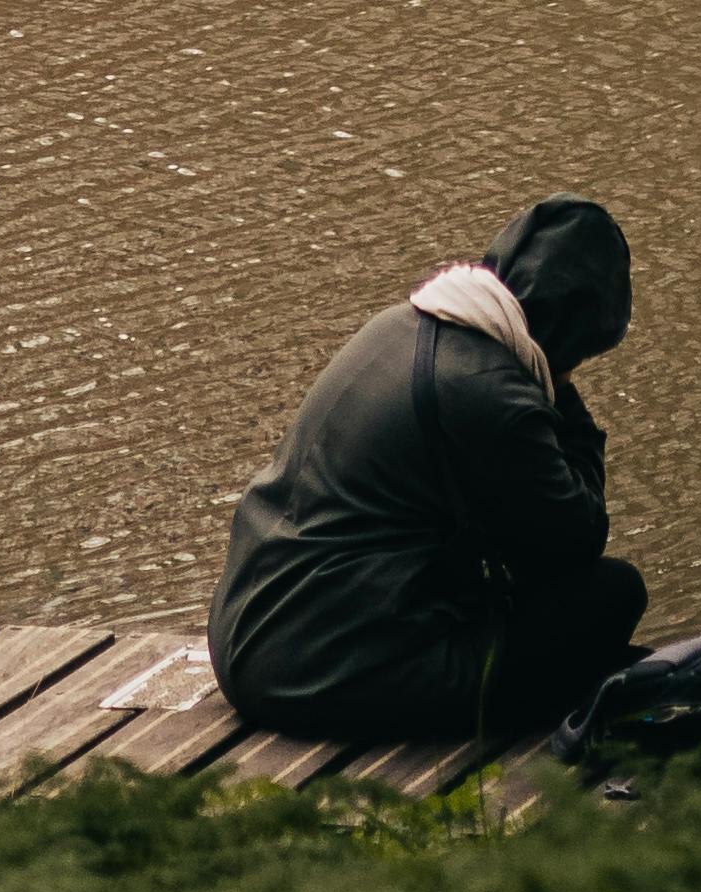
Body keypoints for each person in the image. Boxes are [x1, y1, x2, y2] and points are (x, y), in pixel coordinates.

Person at [208, 194, 649, 745]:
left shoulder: (395, 325)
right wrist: (563, 396)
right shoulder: (492, 394)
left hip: (247, 636)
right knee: (614, 593)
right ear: (576, 333)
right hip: (319, 674)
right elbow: (577, 539)